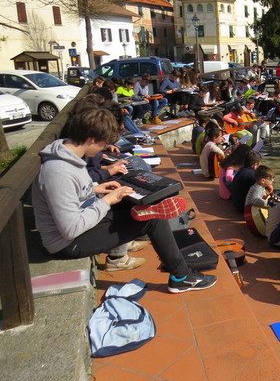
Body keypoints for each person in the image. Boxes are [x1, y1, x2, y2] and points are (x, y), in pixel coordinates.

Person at [32, 107, 216, 292]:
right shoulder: (58, 172)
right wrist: (106, 201)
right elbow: (70, 229)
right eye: (103, 143)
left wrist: (96, 189)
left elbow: (73, 193)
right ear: (91, 139)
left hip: (83, 221)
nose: (103, 148)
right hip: (68, 243)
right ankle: (182, 276)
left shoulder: (69, 155)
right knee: (152, 218)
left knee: (141, 205)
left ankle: (177, 268)